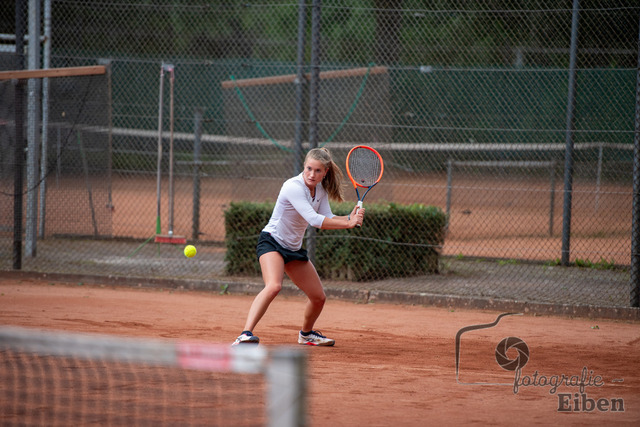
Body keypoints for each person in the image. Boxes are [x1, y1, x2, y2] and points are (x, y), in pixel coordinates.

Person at [232, 147, 365, 346]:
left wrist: (349, 217)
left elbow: (327, 216)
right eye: (309, 169)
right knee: (274, 286)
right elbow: (314, 220)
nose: (312, 174)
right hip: (272, 241)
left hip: (293, 248)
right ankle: (244, 334)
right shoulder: (292, 187)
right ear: (304, 166)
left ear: (325, 172)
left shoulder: (320, 190)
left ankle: (306, 334)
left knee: (318, 297)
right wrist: (347, 224)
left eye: (318, 170)